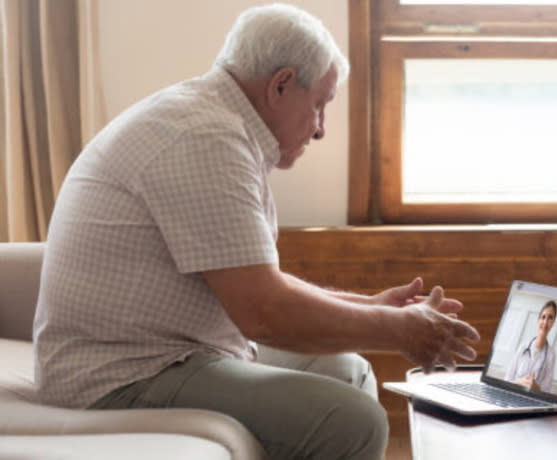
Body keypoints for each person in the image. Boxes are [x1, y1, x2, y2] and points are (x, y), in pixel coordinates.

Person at [32, 4, 480, 459]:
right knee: (354, 420)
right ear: (281, 84)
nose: (321, 128)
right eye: (320, 105)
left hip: (171, 350)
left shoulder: (212, 121)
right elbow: (263, 312)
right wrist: (397, 330)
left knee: (348, 370)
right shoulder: (205, 139)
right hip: (121, 374)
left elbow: (257, 282)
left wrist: (369, 307)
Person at [504, 300, 557, 393]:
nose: (545, 322)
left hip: (531, 399)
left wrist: (535, 387)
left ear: (553, 323)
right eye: (543, 317)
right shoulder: (523, 347)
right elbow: (507, 380)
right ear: (538, 320)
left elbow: (546, 391)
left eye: (550, 318)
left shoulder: (551, 355)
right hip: (513, 394)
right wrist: (520, 382)